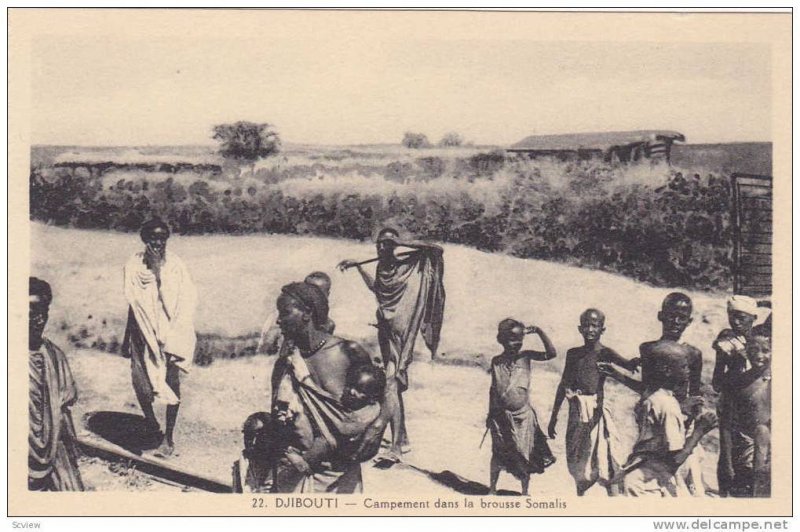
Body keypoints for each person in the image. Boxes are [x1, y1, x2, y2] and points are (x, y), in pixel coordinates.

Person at [338, 227, 445, 462]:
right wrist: (358, 267)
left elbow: (436, 250)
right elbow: (376, 288)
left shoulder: (408, 262)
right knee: (393, 386)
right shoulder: (381, 267)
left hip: (402, 335)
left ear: (395, 245)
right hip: (386, 331)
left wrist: (401, 243)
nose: (381, 248)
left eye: (386, 244)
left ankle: (396, 446)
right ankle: (403, 438)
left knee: (390, 384)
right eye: (379, 244)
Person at [270, 282, 387, 493]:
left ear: (307, 313)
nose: (279, 320)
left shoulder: (347, 351)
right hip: (294, 471)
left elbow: (385, 391)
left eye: (285, 312)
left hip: (338, 477)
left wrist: (378, 427)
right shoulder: (287, 362)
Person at [600, 292, 708, 495]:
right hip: (655, 420)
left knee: (685, 476)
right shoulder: (649, 349)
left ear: (689, 321)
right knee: (652, 471)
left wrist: (691, 414)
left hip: (682, 423)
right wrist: (618, 375)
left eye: (682, 317)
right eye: (671, 315)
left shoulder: (693, 354)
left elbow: (695, 393)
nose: (676, 321)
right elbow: (648, 389)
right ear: (661, 316)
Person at [122, 218, 197, 457]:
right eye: (154, 237)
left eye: (163, 237)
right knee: (141, 382)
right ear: (145, 239)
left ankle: (169, 438)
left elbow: (182, 301)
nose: (158, 242)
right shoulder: (133, 265)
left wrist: (158, 271)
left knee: (171, 382)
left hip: (169, 332)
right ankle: (151, 422)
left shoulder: (175, 265)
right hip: (140, 332)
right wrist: (127, 336)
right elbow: (133, 303)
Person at [547, 309, 637, 496]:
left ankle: (614, 500)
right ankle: (581, 497)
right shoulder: (573, 354)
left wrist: (637, 361)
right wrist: (554, 417)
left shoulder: (605, 353)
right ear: (580, 328)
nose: (590, 329)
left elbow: (628, 365)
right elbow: (564, 384)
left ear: (602, 329)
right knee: (576, 458)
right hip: (577, 412)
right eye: (586, 325)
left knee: (603, 457)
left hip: (596, 411)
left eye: (594, 325)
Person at [604, 358, 717, 497]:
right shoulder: (669, 406)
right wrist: (699, 431)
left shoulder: (655, 397)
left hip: (644, 469)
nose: (688, 371)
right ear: (668, 371)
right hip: (648, 481)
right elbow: (675, 459)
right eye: (683, 367)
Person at [487, 319, 557, 495]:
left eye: (519, 340)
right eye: (511, 339)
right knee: (498, 452)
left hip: (523, 417)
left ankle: (525, 492)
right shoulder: (496, 361)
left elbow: (551, 353)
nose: (516, 344)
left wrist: (540, 331)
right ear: (501, 340)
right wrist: (490, 413)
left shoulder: (526, 357)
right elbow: (493, 389)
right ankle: (492, 489)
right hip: (501, 416)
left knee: (524, 454)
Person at [28, 277, 85, 491]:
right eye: (31, 312)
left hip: (53, 451)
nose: (39, 320)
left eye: (43, 312)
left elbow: (63, 414)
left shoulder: (55, 356)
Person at [712, 295, 759, 497]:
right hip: (732, 401)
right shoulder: (727, 339)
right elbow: (716, 380)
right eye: (732, 316)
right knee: (728, 448)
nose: (735, 321)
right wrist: (735, 368)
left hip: (755, 403)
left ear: (753, 318)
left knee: (754, 450)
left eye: (741, 317)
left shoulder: (759, 342)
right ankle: (725, 493)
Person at [726, 334, 771, 497]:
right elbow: (728, 423)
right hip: (745, 450)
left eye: (766, 350)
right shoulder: (740, 382)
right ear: (746, 352)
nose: (759, 356)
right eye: (754, 350)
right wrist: (727, 460)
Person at [258, 272, 336, 355]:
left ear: (327, 294)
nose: (313, 293)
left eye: (317, 290)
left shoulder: (328, 325)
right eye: (307, 288)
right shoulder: (294, 322)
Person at [232, 412, 274, 493]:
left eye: (260, 437)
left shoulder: (279, 465)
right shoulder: (240, 465)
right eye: (249, 436)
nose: (254, 442)